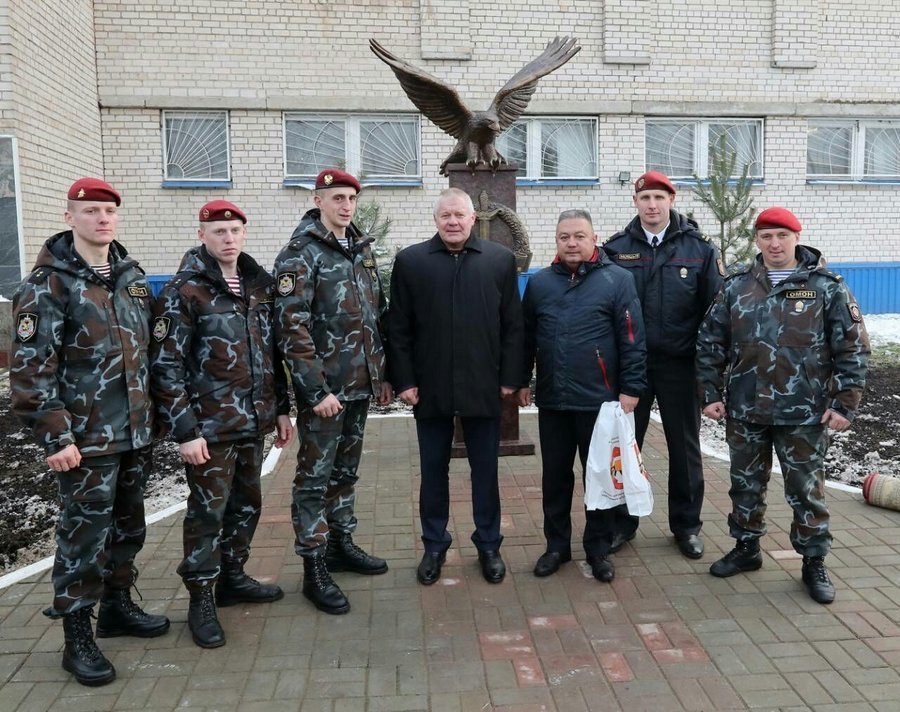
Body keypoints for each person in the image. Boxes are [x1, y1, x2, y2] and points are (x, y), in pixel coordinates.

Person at [10, 178, 169, 687]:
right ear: (69, 216)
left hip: (135, 435)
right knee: (83, 537)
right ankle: (76, 638)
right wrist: (55, 438)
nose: (103, 219)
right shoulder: (47, 285)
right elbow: (32, 370)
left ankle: (117, 608)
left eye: (109, 211)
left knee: (128, 529)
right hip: (85, 441)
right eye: (91, 210)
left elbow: (151, 352)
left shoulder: (132, 276)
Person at [696, 207, 869, 604]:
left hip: (803, 412)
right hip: (745, 408)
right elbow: (710, 343)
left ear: (796, 237)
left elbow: (853, 348)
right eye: (766, 236)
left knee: (806, 490)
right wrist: (709, 393)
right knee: (745, 485)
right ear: (756, 240)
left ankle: (813, 561)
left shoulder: (827, 287)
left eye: (782, 236)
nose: (774, 244)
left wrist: (845, 403)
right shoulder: (736, 286)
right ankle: (746, 548)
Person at [150, 200, 294, 647]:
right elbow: (166, 365)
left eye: (234, 230)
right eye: (218, 232)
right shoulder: (185, 290)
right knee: (207, 514)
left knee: (246, 505)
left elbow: (273, 353)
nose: (228, 238)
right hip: (209, 429)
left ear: (244, 233)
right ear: (202, 236)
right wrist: (185, 431)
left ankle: (232, 576)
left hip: (253, 421)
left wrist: (282, 408)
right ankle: (201, 599)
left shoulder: (260, 285)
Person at [388, 187, 523, 586]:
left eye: (459, 215)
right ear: (436, 220)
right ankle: (434, 545)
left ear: (471, 219)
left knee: (486, 471)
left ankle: (489, 544)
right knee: (433, 471)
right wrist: (405, 380)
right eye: (445, 215)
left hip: (484, 386)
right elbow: (398, 328)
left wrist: (511, 379)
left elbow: (513, 326)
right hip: (430, 387)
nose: (452, 222)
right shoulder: (411, 262)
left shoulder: (498, 261)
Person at [273, 168, 391, 615]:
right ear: (318, 200)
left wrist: (380, 377)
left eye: (351, 199)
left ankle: (341, 542)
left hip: (358, 386)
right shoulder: (300, 254)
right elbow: (291, 328)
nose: (345, 206)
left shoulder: (358, 249)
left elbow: (373, 315)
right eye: (337, 198)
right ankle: (314, 564)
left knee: (346, 472)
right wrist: (314, 389)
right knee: (313, 479)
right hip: (324, 394)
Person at [518, 209, 647, 582]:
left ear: (594, 239)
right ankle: (556, 546)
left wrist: (631, 388)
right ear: (556, 241)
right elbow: (527, 338)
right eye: (564, 237)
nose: (571, 243)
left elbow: (633, 339)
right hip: (555, 400)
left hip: (601, 401)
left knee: (600, 480)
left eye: (578, 236)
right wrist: (523, 380)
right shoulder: (540, 283)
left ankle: (598, 549)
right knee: (555, 477)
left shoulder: (617, 280)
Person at [603, 171, 723, 559]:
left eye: (659, 197)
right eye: (645, 198)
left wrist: (710, 370)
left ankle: (686, 526)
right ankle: (624, 522)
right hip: (632, 368)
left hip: (679, 364)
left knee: (684, 448)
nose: (652, 205)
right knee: (624, 445)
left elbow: (715, 313)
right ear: (635, 203)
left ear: (672, 200)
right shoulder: (616, 249)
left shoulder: (699, 249)